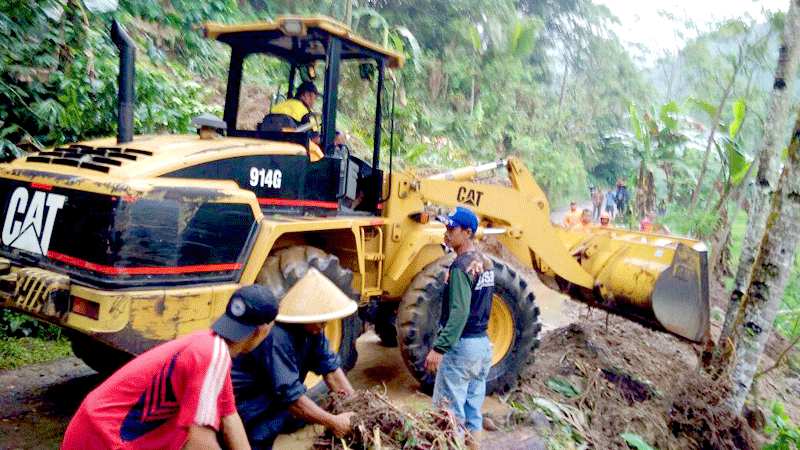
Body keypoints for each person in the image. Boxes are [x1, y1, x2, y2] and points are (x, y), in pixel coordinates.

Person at [62, 285, 280, 450]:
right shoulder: (212, 355)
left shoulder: (210, 345)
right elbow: (201, 441)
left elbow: (229, 416)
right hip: (106, 437)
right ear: (262, 330)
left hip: (97, 425)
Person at [231, 268, 358, 449]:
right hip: (247, 405)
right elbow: (291, 397)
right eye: (321, 321)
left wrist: (356, 408)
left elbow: (330, 369)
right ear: (305, 314)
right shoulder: (277, 337)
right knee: (255, 439)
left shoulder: (313, 330)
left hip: (270, 402)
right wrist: (334, 422)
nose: (325, 325)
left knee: (270, 430)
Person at [425, 207, 494, 445]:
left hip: (462, 348)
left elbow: (460, 311)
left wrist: (439, 348)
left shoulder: (460, 267)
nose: (447, 233)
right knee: (473, 413)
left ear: (467, 232)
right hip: (482, 346)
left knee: (449, 414)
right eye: (446, 227)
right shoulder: (485, 262)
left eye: (452, 229)